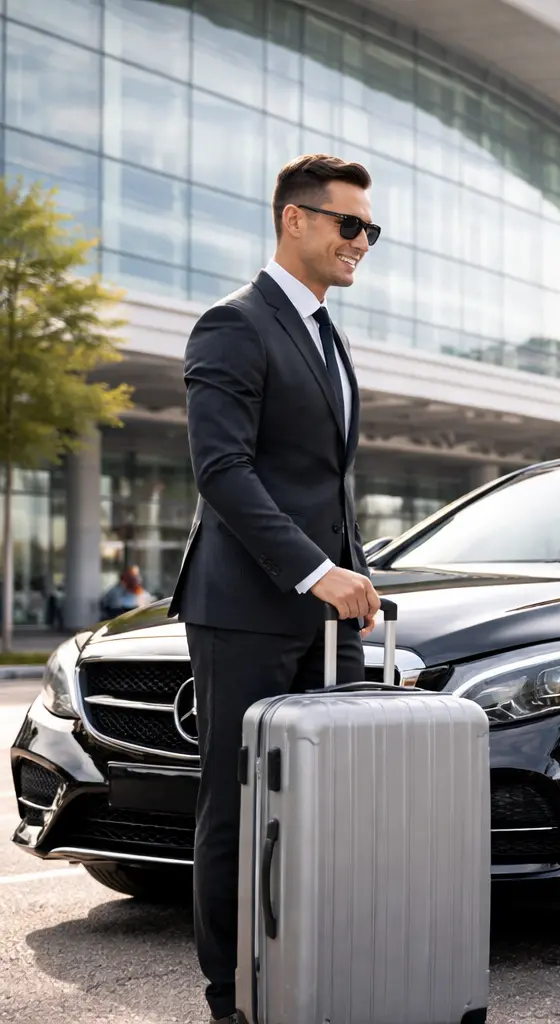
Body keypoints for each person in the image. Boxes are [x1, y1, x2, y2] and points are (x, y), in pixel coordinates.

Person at [167, 153, 383, 1024]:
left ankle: (313, 976)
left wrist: (353, 569)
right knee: (237, 805)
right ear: (294, 219)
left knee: (333, 804)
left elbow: (323, 481)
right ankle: (232, 998)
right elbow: (223, 472)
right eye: (349, 225)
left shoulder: (327, 333)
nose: (361, 242)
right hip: (247, 610)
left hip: (332, 618)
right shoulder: (234, 325)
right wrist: (313, 570)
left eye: (370, 230)